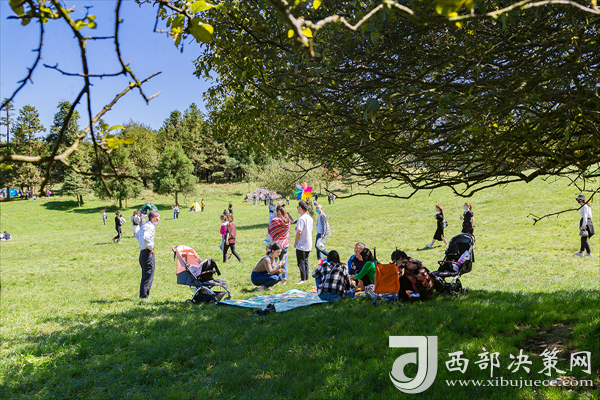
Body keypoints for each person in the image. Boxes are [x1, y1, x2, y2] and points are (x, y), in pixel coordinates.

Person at [136, 211, 160, 299]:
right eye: (158, 218)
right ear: (153, 218)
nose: (159, 220)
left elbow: (137, 235)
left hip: (143, 253)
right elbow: (146, 238)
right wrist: (150, 247)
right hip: (147, 253)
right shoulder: (148, 227)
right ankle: (144, 296)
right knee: (148, 274)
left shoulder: (144, 225)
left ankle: (143, 294)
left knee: (146, 274)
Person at [268, 205, 292, 285]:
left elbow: (270, 230)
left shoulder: (275, 220)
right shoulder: (287, 221)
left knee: (274, 262)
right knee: (283, 262)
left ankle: (274, 279)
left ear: (277, 212)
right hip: (285, 245)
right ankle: (283, 280)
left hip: (275, 245)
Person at [294, 200, 313, 284]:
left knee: (301, 262)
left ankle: (303, 279)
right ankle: (306, 277)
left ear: (301, 208)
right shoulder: (309, 217)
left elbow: (299, 232)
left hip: (302, 243)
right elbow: (310, 229)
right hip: (308, 242)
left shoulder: (301, 219)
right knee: (305, 261)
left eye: (298, 206)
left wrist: (295, 242)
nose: (297, 208)